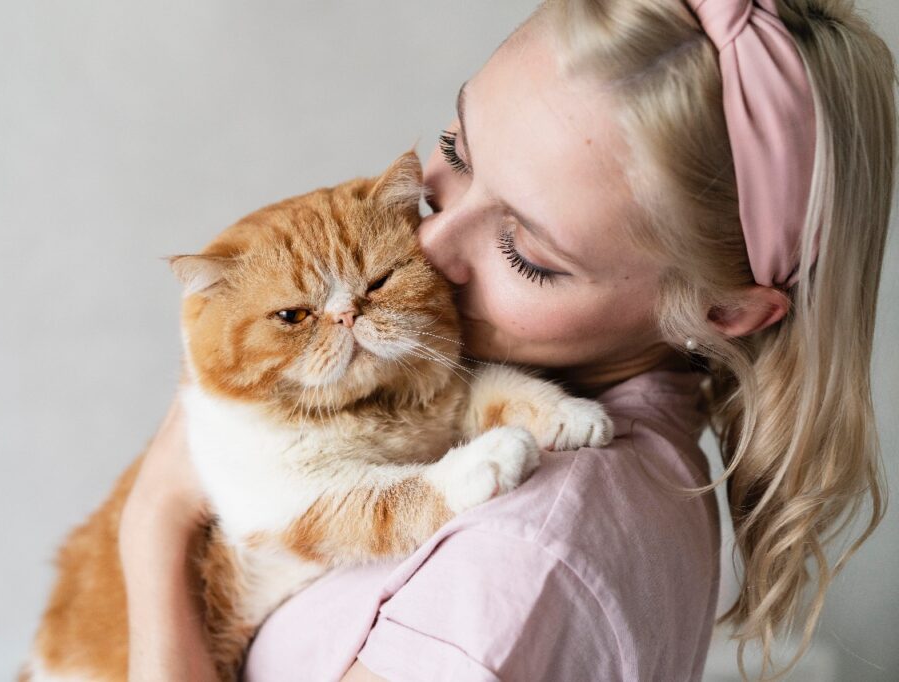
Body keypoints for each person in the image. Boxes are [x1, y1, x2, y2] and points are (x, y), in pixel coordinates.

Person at [118, 1, 895, 680]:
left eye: (525, 253)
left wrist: (152, 522)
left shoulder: (525, 558)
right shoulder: (536, 423)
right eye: (455, 154)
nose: (427, 245)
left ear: (719, 312)